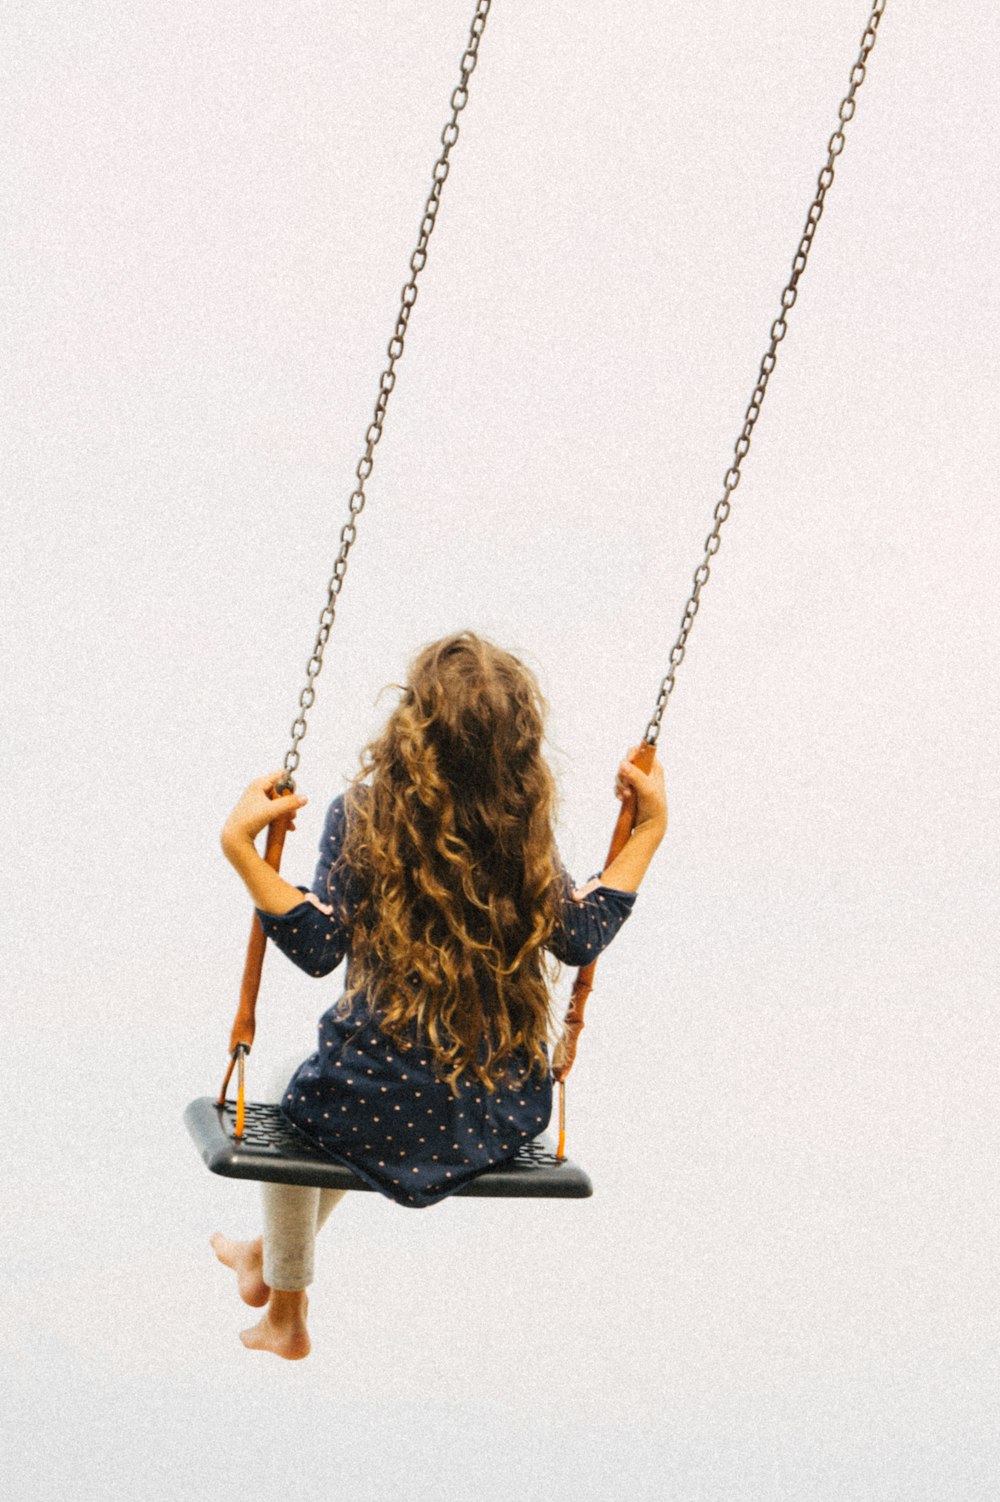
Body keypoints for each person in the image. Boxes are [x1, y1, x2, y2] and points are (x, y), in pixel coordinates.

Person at [210, 631, 667, 1358]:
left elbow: (318, 948)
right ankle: (267, 1259)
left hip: (366, 1107)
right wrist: (651, 829)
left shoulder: (365, 815)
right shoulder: (521, 830)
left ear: (411, 728)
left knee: (299, 1104)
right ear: (519, 744)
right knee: (342, 1113)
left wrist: (241, 850)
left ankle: (285, 1310)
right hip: (499, 1114)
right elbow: (580, 936)